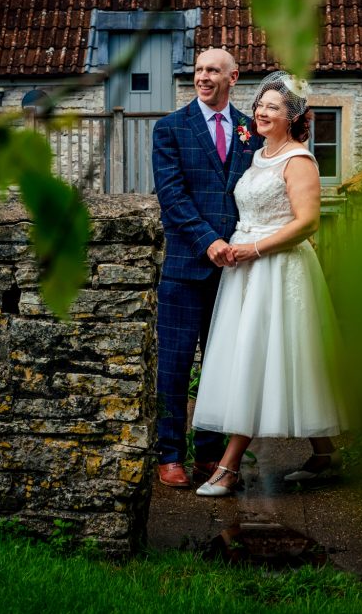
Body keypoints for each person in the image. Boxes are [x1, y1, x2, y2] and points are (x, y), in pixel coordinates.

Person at [191, 71, 346, 497]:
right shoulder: (257, 155)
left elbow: (307, 222)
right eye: (259, 104)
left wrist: (254, 249)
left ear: (292, 116)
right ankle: (326, 452)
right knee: (273, 357)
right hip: (244, 268)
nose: (260, 110)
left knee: (260, 356)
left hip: (277, 269)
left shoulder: (299, 160)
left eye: (272, 107)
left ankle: (229, 465)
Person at [151, 48, 263, 488]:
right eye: (199, 69)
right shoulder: (170, 128)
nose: (203, 76)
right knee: (175, 365)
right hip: (185, 267)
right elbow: (172, 196)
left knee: (222, 365)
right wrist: (208, 241)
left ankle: (210, 455)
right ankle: (171, 455)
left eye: (213, 70)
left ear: (233, 77)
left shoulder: (252, 131)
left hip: (233, 270)